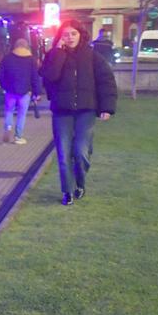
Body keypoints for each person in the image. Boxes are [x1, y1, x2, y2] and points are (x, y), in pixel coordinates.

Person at [41, 22, 118, 206]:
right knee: (63, 154)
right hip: (62, 112)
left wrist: (106, 107)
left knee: (81, 152)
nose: (70, 37)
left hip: (86, 111)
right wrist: (58, 53)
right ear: (60, 37)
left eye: (73, 34)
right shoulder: (54, 55)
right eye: (66, 34)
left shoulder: (92, 57)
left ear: (80, 35)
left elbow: (106, 81)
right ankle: (67, 191)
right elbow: (50, 76)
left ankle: (80, 184)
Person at [0, 38, 42, 144]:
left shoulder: (7, 58)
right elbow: (35, 77)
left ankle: (8, 127)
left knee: (9, 111)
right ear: (27, 47)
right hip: (25, 92)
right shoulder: (31, 60)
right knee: (21, 114)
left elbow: (0, 75)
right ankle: (18, 137)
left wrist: (5, 86)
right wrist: (37, 92)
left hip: (10, 91)